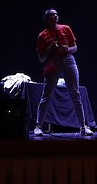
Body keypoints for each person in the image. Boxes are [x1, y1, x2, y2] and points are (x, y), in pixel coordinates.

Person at [34, 8, 93, 137]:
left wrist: (68, 49)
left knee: (75, 93)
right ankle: (38, 126)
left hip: (68, 60)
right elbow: (41, 58)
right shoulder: (42, 35)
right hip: (53, 62)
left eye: (56, 14)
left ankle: (83, 126)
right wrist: (50, 48)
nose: (55, 16)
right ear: (47, 18)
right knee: (47, 95)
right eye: (52, 15)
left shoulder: (66, 28)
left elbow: (75, 48)